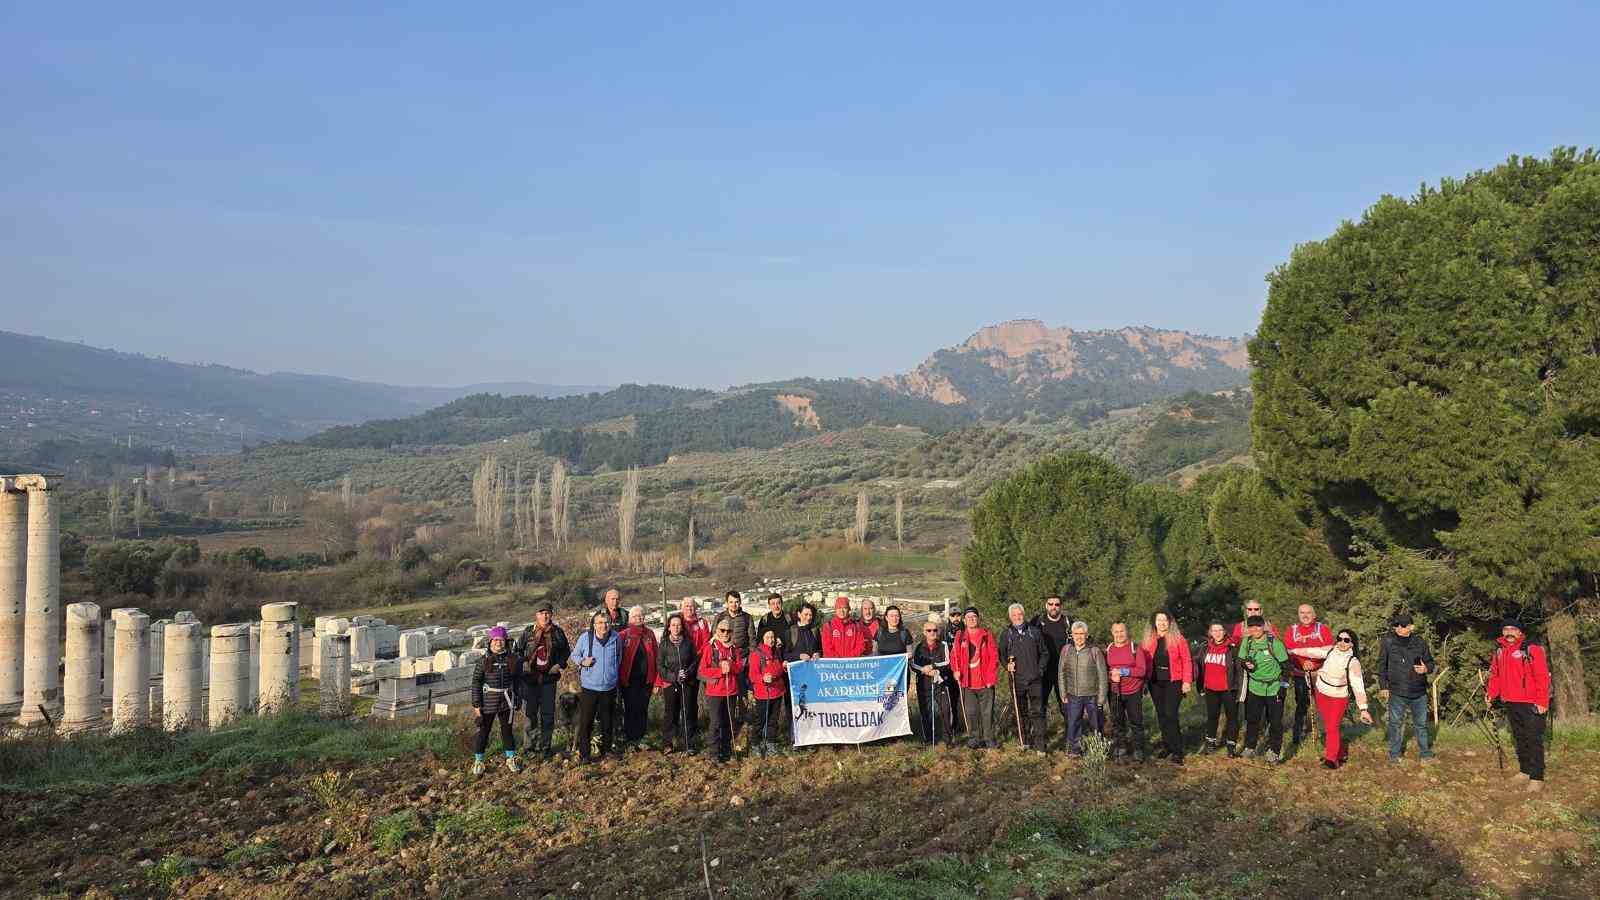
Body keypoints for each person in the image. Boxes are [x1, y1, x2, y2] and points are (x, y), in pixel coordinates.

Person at [1486, 618, 1550, 791]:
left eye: (1513, 629)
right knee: (1519, 738)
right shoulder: (1499, 651)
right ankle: (1525, 771)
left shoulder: (1531, 649)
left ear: (1520, 632)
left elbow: (1542, 677)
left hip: (1531, 702)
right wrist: (1491, 694)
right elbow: (1495, 675)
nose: (1509, 633)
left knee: (1533, 738)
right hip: (1510, 701)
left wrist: (1542, 701)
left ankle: (1537, 777)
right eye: (1506, 629)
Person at [1295, 627, 1373, 769]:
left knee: (1332, 727)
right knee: (1329, 726)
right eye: (1339, 639)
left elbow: (1358, 686)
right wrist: (1291, 651)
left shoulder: (1353, 662)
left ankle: (1331, 760)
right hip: (1321, 693)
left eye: (1346, 640)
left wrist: (1363, 709)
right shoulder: (1330, 650)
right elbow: (1312, 651)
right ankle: (1341, 753)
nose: (1342, 642)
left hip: (1338, 697)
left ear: (1352, 644)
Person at [1377, 614, 1436, 764]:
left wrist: (1425, 669)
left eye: (1402, 625)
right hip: (1397, 691)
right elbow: (1381, 665)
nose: (1398, 628)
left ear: (1411, 627)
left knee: (1421, 724)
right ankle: (1394, 755)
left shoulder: (1420, 642)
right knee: (1395, 724)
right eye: (1396, 625)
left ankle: (1425, 754)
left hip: (1419, 690)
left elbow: (1430, 663)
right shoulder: (1388, 642)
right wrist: (1383, 686)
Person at [514, 602, 570, 759]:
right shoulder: (527, 632)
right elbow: (517, 651)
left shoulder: (558, 633)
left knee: (547, 715)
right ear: (536, 615)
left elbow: (566, 651)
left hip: (548, 680)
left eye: (547, 613)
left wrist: (559, 665)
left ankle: (545, 747)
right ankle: (529, 747)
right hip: (529, 680)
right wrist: (523, 662)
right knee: (530, 715)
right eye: (541, 613)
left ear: (551, 615)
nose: (545, 616)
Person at [1141, 611, 1193, 764]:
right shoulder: (1148, 639)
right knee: (1162, 715)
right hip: (1155, 682)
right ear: (1154, 622)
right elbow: (1143, 661)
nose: (1162, 623)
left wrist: (1187, 681)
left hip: (1174, 681)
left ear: (1170, 622)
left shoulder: (1178, 639)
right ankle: (1167, 746)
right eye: (1159, 620)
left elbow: (1187, 660)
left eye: (1165, 620)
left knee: (1171, 714)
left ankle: (1178, 750)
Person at [470, 627, 523, 776]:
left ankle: (511, 758)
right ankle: (479, 760)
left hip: (507, 701)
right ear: (490, 642)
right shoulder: (483, 660)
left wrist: (517, 698)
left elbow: (517, 681)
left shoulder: (512, 659)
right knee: (484, 732)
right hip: (488, 702)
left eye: (501, 640)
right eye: (495, 640)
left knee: (507, 732)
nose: (498, 643)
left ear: (506, 641)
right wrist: (476, 704)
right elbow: (476, 682)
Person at [1238, 615, 1290, 763]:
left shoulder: (1275, 643)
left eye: (1258, 626)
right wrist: (1246, 664)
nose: (1255, 629)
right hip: (1255, 687)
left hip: (1274, 687)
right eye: (1251, 626)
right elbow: (1241, 660)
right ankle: (1250, 747)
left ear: (1263, 627)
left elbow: (1287, 667)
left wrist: (1283, 687)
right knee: (1253, 719)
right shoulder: (1247, 642)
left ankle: (1274, 751)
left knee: (1275, 721)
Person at [572, 612, 621, 764]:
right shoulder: (585, 638)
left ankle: (606, 751)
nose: (603, 625)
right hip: (590, 688)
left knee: (607, 721)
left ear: (610, 623)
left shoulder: (616, 638)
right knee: (587, 722)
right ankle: (584, 754)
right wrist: (582, 662)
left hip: (609, 687)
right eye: (600, 623)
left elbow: (619, 658)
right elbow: (574, 655)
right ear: (594, 625)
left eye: (606, 622)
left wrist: (612, 674)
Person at [1283, 603, 1334, 746]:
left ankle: (1326, 735)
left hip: (1320, 673)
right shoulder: (1292, 631)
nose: (1305, 615)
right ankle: (1298, 734)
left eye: (1308, 613)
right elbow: (1288, 652)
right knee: (1301, 704)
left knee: (1323, 704)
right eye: (1301, 613)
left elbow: (1329, 651)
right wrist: (1301, 664)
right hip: (1300, 673)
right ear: (1298, 615)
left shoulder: (1322, 629)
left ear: (1314, 614)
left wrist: (1313, 663)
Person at [998, 603, 1047, 753]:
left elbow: (1045, 653)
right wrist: (1007, 666)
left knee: (1037, 712)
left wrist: (1039, 671)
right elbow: (1001, 654)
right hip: (1016, 680)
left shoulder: (1035, 632)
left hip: (1035, 680)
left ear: (1023, 615)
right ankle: (1024, 741)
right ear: (1010, 617)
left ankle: (1040, 746)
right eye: (1014, 615)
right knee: (1021, 711)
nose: (1017, 617)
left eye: (1019, 614)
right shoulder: (1006, 634)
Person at [951, 607, 999, 749]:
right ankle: (974, 738)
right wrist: (955, 671)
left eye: (974, 616)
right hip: (968, 682)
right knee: (971, 712)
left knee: (987, 712)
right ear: (964, 620)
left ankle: (989, 738)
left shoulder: (987, 635)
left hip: (985, 682)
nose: (972, 619)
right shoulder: (960, 636)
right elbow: (955, 656)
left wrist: (991, 677)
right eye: (969, 617)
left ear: (978, 619)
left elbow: (994, 657)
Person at [1058, 621, 1106, 756]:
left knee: (1096, 724)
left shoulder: (1094, 651)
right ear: (1072, 635)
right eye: (1076, 634)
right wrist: (1063, 692)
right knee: (1073, 723)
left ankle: (1098, 749)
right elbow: (1061, 672)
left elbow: (1102, 676)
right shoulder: (1067, 650)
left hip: (1092, 695)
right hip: (1073, 694)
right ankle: (1074, 749)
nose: (1079, 637)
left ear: (1086, 635)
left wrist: (1101, 698)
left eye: (1082, 634)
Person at [700, 619, 745, 762]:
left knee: (728, 721)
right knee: (715, 722)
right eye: (722, 630)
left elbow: (740, 667)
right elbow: (702, 671)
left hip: (730, 690)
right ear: (717, 631)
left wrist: (731, 667)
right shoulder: (710, 648)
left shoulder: (734, 649)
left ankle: (726, 750)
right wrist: (720, 671)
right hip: (714, 692)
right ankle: (713, 752)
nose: (725, 633)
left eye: (728, 631)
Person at [1104, 622, 1149, 762]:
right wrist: (1110, 676)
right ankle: (1121, 747)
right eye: (1116, 631)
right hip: (1115, 691)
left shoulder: (1135, 648)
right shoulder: (1109, 649)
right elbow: (1105, 670)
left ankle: (1138, 750)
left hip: (1133, 691)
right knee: (1118, 722)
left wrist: (1124, 671)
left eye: (1122, 631)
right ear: (1112, 633)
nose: (1119, 634)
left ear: (1126, 631)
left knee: (1136, 722)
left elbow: (1142, 671)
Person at [1196, 623, 1242, 757]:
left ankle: (1231, 748)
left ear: (1225, 632)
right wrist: (1200, 687)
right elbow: (1199, 668)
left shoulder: (1232, 649)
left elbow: (1239, 670)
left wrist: (1239, 690)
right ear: (1210, 632)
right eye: (1214, 630)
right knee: (1212, 717)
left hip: (1229, 689)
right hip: (1211, 689)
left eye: (1220, 630)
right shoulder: (1204, 648)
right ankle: (1210, 745)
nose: (1217, 633)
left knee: (1232, 718)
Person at [655, 612, 699, 753]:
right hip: (670, 684)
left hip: (687, 683)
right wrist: (674, 676)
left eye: (678, 625)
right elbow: (660, 667)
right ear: (668, 627)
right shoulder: (664, 644)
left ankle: (689, 743)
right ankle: (668, 743)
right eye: (673, 625)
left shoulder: (688, 643)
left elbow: (694, 661)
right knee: (670, 713)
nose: (676, 627)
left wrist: (687, 673)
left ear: (682, 627)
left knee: (687, 712)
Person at [713, 591, 755, 733]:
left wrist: (749, 660)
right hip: (723, 661)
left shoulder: (747, 618)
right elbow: (714, 639)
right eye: (731, 601)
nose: (734, 604)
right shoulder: (719, 617)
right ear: (726, 603)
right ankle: (726, 723)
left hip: (742, 660)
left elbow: (752, 641)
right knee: (726, 694)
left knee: (742, 693)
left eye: (736, 601)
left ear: (740, 602)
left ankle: (743, 721)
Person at [618, 606, 658, 748]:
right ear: (630, 619)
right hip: (629, 680)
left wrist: (657, 680)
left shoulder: (650, 634)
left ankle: (641, 736)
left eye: (641, 616)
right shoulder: (623, 635)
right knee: (630, 708)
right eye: (635, 616)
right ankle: (630, 738)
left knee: (643, 708)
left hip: (646, 679)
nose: (638, 618)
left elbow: (657, 655)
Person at [1032, 596, 1070, 742]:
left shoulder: (1068, 622)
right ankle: (1040, 738)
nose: (1054, 606)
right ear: (1046, 605)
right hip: (1043, 672)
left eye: (1057, 604)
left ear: (1061, 606)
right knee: (1040, 705)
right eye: (1051, 604)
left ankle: (1070, 737)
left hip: (1063, 672)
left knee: (1065, 706)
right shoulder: (1036, 621)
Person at [912, 614, 953, 746]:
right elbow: (913, 664)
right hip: (923, 684)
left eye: (935, 630)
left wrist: (934, 667)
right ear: (924, 632)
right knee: (926, 712)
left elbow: (948, 662)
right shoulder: (918, 646)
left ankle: (947, 740)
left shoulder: (943, 645)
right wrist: (924, 670)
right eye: (929, 630)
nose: (932, 633)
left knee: (945, 710)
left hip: (940, 683)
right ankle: (929, 739)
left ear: (938, 631)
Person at [748, 627, 788, 755]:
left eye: (772, 637)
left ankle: (770, 743)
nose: (771, 640)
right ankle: (755, 743)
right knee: (760, 720)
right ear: (762, 638)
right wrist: (763, 678)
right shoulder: (756, 654)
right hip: (763, 693)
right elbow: (753, 675)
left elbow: (779, 669)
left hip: (777, 691)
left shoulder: (776, 652)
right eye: (768, 637)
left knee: (773, 720)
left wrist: (783, 667)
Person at [942, 609, 967, 738]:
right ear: (949, 617)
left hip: (965, 669)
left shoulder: (966, 630)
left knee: (965, 698)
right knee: (952, 699)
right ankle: (954, 726)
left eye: (958, 615)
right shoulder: (944, 632)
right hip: (950, 670)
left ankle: (967, 725)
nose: (956, 618)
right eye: (953, 616)